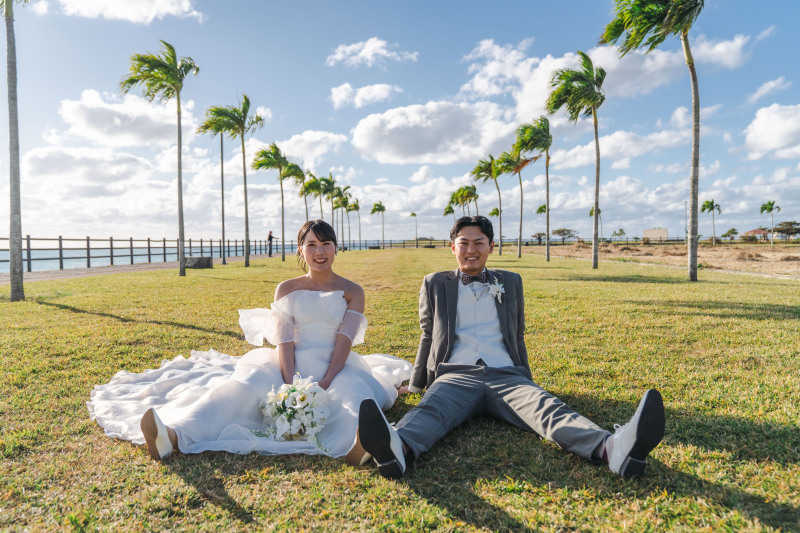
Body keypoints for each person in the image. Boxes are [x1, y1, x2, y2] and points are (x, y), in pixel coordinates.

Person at [358, 216, 665, 479]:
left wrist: (527, 380)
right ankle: (397, 448)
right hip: (455, 374)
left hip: (506, 373)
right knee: (431, 410)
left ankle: (613, 449)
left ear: (491, 247)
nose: (471, 250)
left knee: (547, 409)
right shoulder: (434, 283)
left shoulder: (512, 281)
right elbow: (427, 335)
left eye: (479, 243)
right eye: (464, 243)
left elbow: (518, 335)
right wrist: (416, 385)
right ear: (453, 247)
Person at [88, 220, 411, 463]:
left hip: (337, 363)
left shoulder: (353, 291)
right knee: (243, 387)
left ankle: (358, 447)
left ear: (336, 248)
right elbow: (284, 342)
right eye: (311, 244)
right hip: (288, 362)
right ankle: (172, 435)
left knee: (351, 393)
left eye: (326, 244)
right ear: (300, 250)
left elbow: (344, 341)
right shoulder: (286, 288)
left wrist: (326, 380)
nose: (319, 251)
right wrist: (289, 383)